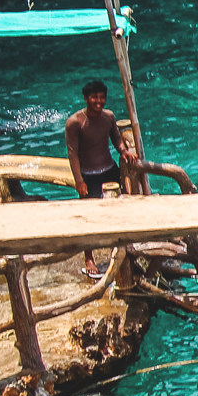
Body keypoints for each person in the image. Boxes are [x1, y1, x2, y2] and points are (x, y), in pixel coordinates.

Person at [66, 79, 133, 276]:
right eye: (94, 97)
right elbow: (73, 153)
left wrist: (124, 151)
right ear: (86, 98)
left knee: (120, 209)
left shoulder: (109, 117)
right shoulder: (75, 122)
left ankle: (123, 248)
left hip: (109, 170)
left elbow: (116, 140)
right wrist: (79, 181)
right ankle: (89, 258)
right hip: (89, 175)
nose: (99, 101)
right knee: (89, 217)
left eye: (102, 97)